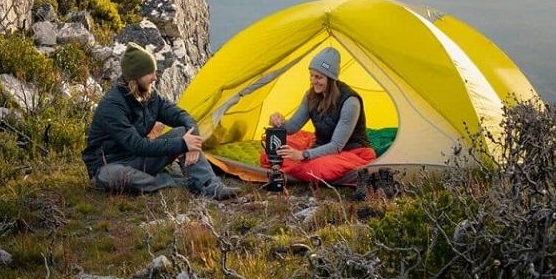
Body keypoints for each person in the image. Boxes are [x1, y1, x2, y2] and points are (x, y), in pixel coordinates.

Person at [82, 42, 240, 200]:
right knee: (117, 176)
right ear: (136, 76)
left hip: (139, 160)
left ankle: (212, 186)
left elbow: (182, 116)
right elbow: (136, 145)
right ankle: (179, 183)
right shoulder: (113, 105)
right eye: (150, 73)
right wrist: (183, 144)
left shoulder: (149, 95)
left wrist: (193, 142)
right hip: (108, 165)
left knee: (184, 131)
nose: (154, 78)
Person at [266, 47, 376, 184]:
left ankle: (299, 167)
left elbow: (336, 146)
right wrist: (278, 122)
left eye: (319, 77)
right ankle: (300, 166)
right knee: (271, 149)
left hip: (348, 151)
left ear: (331, 79)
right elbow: (292, 127)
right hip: (320, 147)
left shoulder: (350, 102)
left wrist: (303, 155)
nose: (313, 81)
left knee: (316, 167)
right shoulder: (311, 95)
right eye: (311, 75)